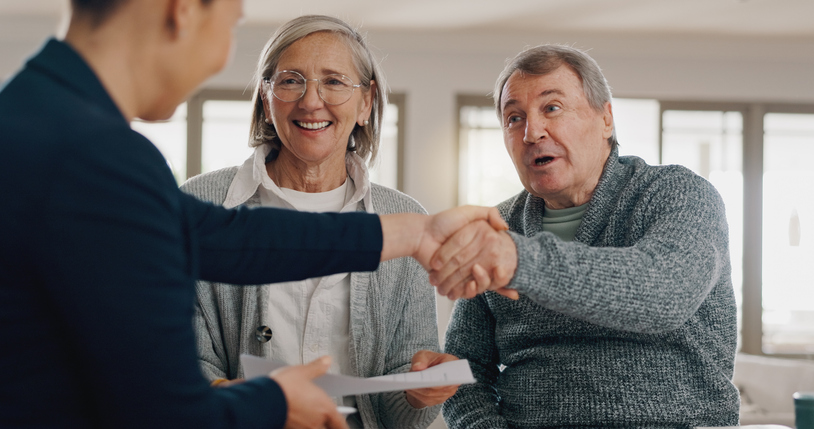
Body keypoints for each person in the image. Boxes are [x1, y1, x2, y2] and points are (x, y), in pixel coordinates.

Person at [0, 1, 506, 428]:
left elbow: (226, 238)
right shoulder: (93, 154)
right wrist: (277, 399)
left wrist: (414, 232)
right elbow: (160, 408)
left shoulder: (39, 117)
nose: (222, 55)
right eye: (233, 21)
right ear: (182, 11)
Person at [431, 45, 739, 428]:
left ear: (606, 118)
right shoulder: (499, 226)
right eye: (514, 118)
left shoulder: (678, 193)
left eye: (552, 108)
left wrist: (518, 260)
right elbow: (465, 368)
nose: (532, 132)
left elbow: (665, 292)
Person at [181, 15, 456, 428]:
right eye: (291, 80)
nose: (311, 102)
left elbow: (402, 413)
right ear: (266, 97)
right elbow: (180, 366)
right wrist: (254, 403)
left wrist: (420, 393)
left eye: (334, 81)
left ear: (366, 103)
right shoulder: (200, 203)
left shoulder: (407, 218)